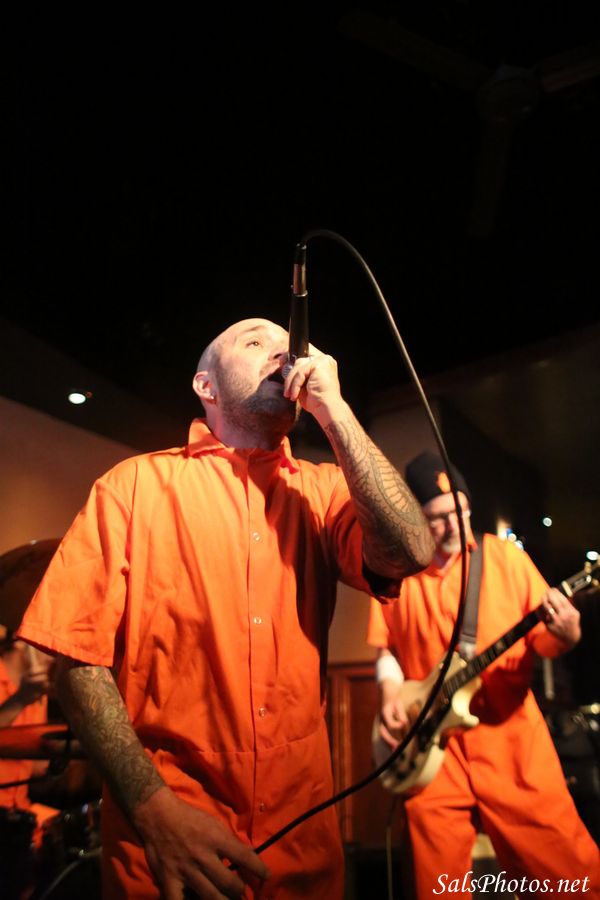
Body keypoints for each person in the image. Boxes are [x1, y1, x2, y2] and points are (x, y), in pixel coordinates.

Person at [16, 318, 434, 899]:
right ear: (205, 385)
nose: (283, 353)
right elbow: (77, 664)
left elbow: (411, 551)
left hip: (303, 849)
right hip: (170, 851)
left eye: (287, 346)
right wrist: (152, 809)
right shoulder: (131, 487)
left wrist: (335, 411)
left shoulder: (321, 490)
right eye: (255, 342)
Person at [368, 451, 600, 899]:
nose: (453, 524)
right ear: (416, 519)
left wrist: (568, 631)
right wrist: (390, 691)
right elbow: (386, 648)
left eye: (459, 510)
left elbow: (546, 641)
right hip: (433, 754)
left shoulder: (505, 558)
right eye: (436, 518)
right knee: (437, 887)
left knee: (565, 875)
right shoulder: (401, 573)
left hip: (512, 745)